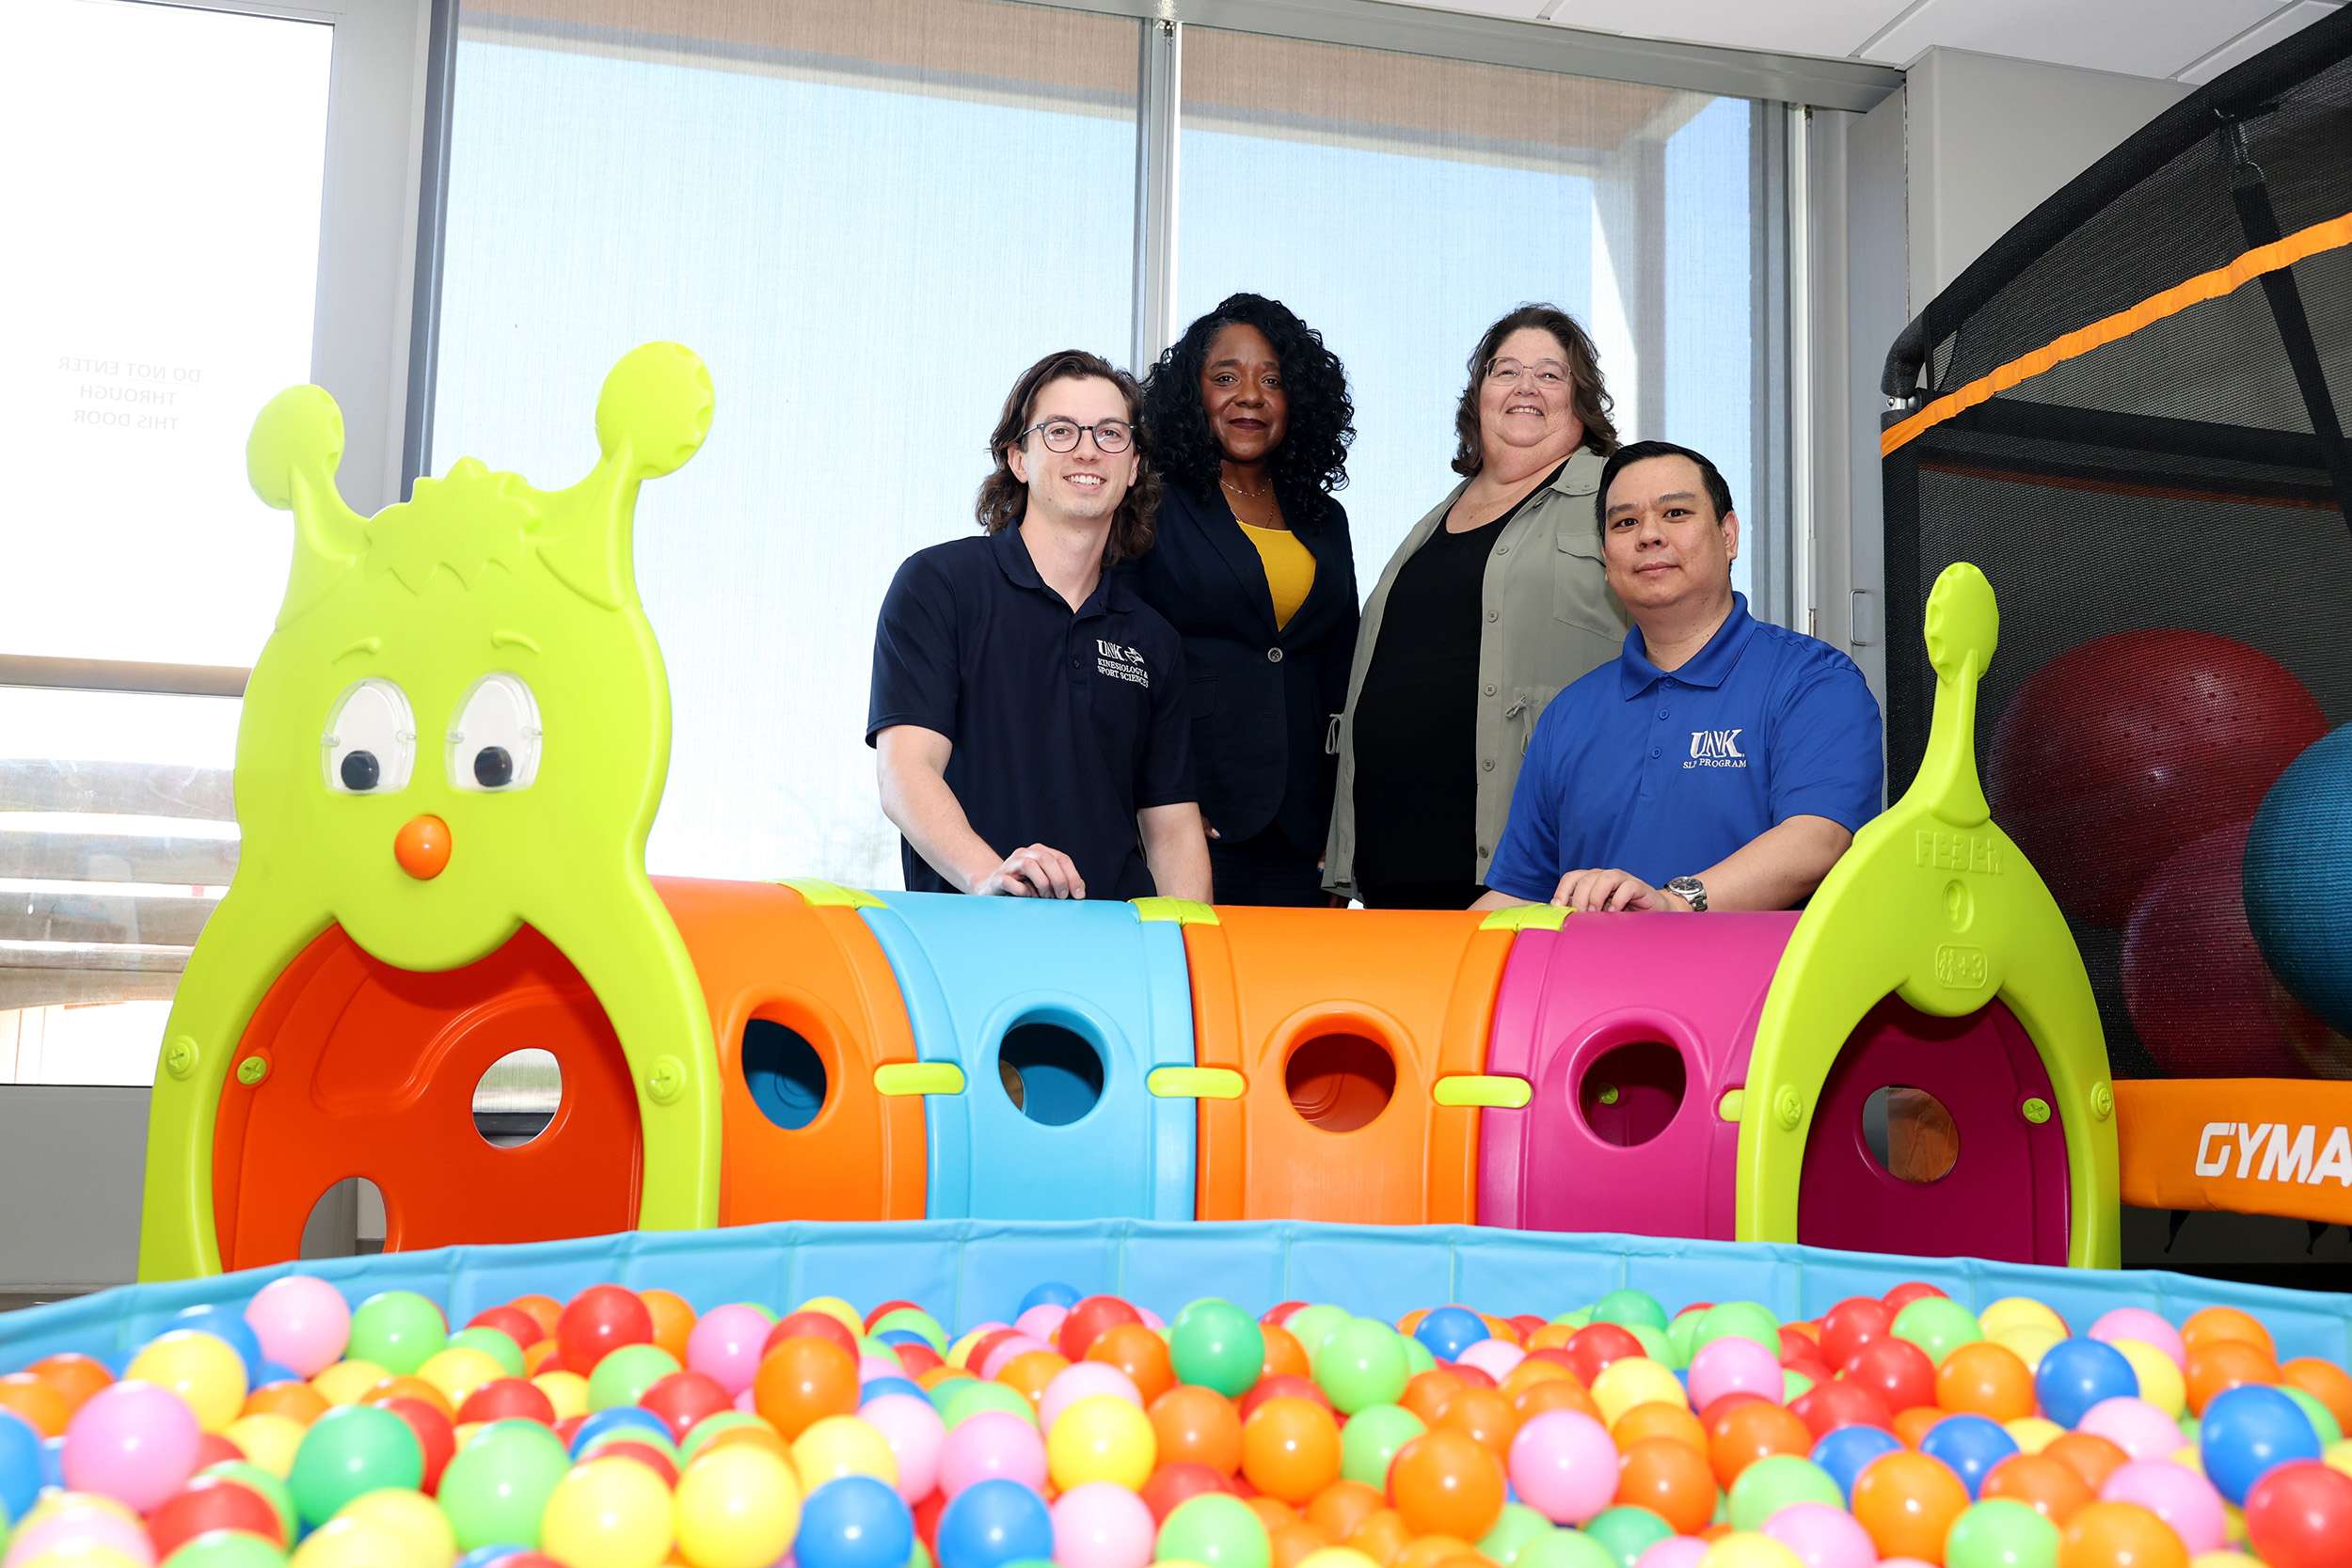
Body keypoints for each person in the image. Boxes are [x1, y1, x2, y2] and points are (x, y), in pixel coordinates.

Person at [1474, 440, 1882, 914]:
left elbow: (1818, 839)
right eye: (1625, 522)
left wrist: (1673, 904)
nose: (1648, 535)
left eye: (1675, 513)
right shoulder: (1569, 713)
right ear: (1606, 557)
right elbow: (1518, 894)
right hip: (1592, 987)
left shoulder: (1812, 681)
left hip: (1763, 987)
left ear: (1728, 536)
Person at [866, 349, 1211, 902]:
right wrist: (990, 876)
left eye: (1109, 434)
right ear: (1019, 459)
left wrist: (1193, 963)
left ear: (1134, 467)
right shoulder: (939, 586)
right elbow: (906, 772)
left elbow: (1171, 830)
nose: (1087, 450)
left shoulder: (1153, 640)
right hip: (969, 939)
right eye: (1060, 431)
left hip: (1111, 953)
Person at [1325, 304, 1629, 909]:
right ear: (1479, 395)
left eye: (1550, 373)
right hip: (1393, 868)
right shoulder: (1433, 520)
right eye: (1505, 370)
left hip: (1529, 874)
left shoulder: (1616, 490)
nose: (1525, 387)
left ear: (1581, 399)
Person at [1133, 293, 1359, 907]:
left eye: (1273, 380)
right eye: (1226, 377)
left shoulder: (1324, 519)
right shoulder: (1153, 505)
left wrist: (1341, 827)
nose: (1250, 396)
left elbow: (1342, 677)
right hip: (1190, 820)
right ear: (1193, 393)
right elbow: (1129, 665)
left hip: (1304, 832)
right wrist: (1161, 798)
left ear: (1297, 401)